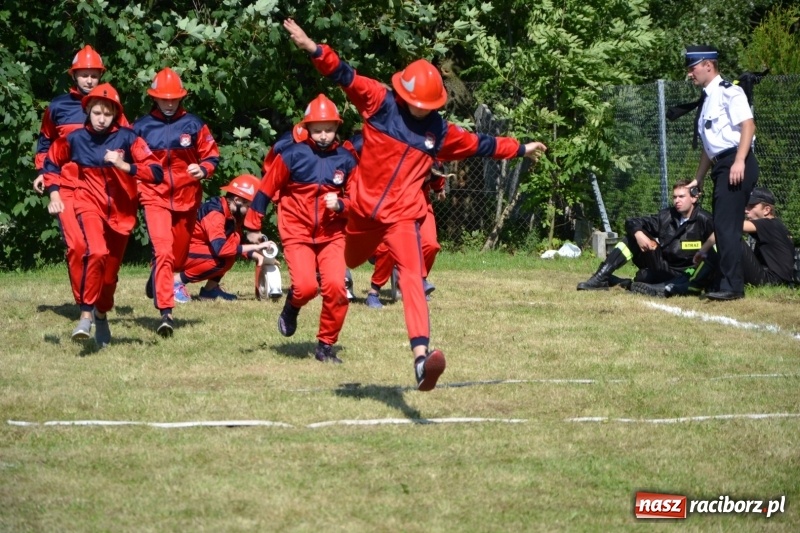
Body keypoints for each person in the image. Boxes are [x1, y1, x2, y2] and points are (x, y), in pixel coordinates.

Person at [283, 19, 547, 390]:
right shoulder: (378, 102)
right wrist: (313, 48)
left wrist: (519, 147)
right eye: (418, 104)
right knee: (341, 265)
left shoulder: (438, 131)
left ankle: (421, 359)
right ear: (403, 94)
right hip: (358, 215)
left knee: (412, 277)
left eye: (430, 105)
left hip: (401, 218)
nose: (423, 110)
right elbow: (343, 74)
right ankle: (296, 302)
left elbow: (480, 144)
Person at [42, 83, 163, 346]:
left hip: (122, 215)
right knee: (94, 251)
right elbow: (51, 162)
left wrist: (124, 165)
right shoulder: (74, 139)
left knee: (108, 279)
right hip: (89, 204)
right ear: (88, 111)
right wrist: (54, 193)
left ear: (116, 115)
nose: (101, 119)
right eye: (96, 112)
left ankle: (100, 313)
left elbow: (156, 172)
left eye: (107, 114)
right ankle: (85, 316)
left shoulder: (128, 138)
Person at [244, 94, 358, 364]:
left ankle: (326, 346)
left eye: (329, 130)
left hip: (333, 234)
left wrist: (341, 204)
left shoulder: (346, 159)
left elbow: (361, 201)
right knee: (306, 287)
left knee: (335, 288)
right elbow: (266, 189)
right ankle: (292, 307)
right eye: (317, 130)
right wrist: (252, 225)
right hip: (297, 231)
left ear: (337, 128)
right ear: (306, 129)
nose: (323, 136)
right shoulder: (292, 155)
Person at [34, 46, 127, 308]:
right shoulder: (58, 106)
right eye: (83, 75)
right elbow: (46, 142)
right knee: (76, 246)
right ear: (74, 76)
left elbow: (129, 144)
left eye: (94, 75)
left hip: (101, 189)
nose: (88, 80)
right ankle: (83, 302)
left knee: (103, 251)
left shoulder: (110, 105)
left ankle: (99, 297)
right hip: (65, 185)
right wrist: (42, 172)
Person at [133, 67, 220, 336]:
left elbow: (212, 155)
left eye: (174, 98)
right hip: (154, 196)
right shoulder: (141, 127)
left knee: (177, 258)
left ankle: (156, 276)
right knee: (163, 251)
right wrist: (138, 188)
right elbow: (132, 163)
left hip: (187, 198)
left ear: (181, 98)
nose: (169, 103)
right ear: (154, 98)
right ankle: (166, 314)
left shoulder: (194, 124)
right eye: (164, 98)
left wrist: (203, 169)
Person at [684, 45, 759, 301]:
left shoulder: (729, 91)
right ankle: (725, 282)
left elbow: (748, 125)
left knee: (727, 227)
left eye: (692, 68)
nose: (689, 74)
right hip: (722, 163)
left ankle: (732, 287)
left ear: (708, 65)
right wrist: (699, 177)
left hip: (736, 162)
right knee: (723, 225)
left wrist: (739, 160)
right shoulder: (707, 99)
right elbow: (710, 146)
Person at [577, 180, 714, 296]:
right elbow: (632, 222)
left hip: (687, 273)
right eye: (674, 197)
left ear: (694, 197)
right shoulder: (666, 216)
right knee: (631, 237)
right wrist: (638, 233)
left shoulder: (705, 220)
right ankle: (601, 276)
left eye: (681, 196)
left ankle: (629, 284)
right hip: (664, 266)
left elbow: (718, 249)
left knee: (643, 277)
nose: (677, 201)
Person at [175, 175, 276, 303]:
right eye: (251, 207)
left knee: (230, 253)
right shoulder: (215, 213)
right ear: (238, 200)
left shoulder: (232, 214)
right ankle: (175, 283)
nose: (252, 212)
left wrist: (258, 255)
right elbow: (222, 249)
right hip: (180, 254)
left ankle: (210, 291)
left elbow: (235, 244)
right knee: (223, 257)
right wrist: (255, 247)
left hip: (195, 251)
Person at [365, 163, 447, 309]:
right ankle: (374, 292)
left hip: (421, 199)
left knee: (431, 245)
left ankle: (418, 282)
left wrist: (439, 188)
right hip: (395, 199)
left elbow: (437, 172)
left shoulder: (431, 150)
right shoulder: (398, 152)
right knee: (389, 247)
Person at [695, 187, 795, 290]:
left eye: (751, 206)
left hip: (772, 281)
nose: (746, 210)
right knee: (726, 236)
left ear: (767, 210)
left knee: (731, 236)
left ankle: (695, 284)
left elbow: (727, 226)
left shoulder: (769, 224)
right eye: (746, 205)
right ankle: (709, 284)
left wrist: (703, 249)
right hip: (772, 278)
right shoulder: (775, 225)